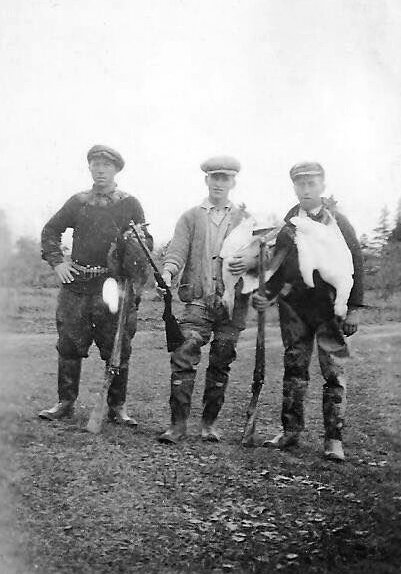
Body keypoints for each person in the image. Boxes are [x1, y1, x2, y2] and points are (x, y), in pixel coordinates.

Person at [253, 162, 364, 461]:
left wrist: (353, 308)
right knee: (294, 370)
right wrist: (266, 294)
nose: (306, 189)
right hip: (296, 310)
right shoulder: (289, 225)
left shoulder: (338, 221)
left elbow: (356, 264)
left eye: (311, 183)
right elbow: (280, 267)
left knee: (334, 374)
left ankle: (333, 439)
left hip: (331, 310)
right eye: (300, 184)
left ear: (322, 185)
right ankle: (290, 431)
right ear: (294, 187)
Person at [39, 145, 153, 425]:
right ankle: (65, 402)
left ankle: (117, 407)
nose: (100, 169)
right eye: (95, 164)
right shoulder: (78, 201)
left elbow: (144, 243)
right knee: (68, 344)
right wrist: (58, 262)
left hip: (112, 286)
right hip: (76, 284)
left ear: (116, 170)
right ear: (89, 168)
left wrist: (132, 260)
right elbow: (50, 230)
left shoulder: (129, 203)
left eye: (106, 165)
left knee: (117, 345)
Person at [158, 156, 256, 444]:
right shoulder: (190, 217)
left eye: (225, 178)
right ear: (206, 180)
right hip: (198, 299)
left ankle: (209, 424)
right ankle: (177, 426)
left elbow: (262, 257)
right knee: (184, 356)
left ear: (233, 183)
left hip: (233, 304)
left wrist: (249, 261)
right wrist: (167, 272)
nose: (219, 183)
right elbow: (177, 252)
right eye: (214, 178)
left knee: (221, 360)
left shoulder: (246, 221)